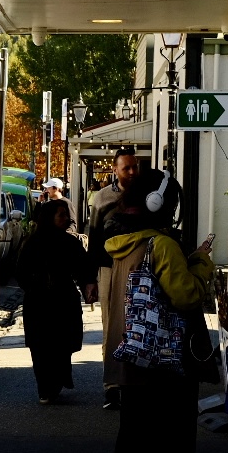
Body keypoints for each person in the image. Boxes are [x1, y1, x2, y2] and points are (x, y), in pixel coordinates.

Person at [104, 167, 214, 453]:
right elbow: (186, 295)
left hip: (131, 359)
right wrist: (202, 263)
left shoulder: (122, 244)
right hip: (165, 363)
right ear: (158, 203)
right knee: (170, 448)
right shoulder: (161, 245)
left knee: (134, 446)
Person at [15, 199, 97, 404]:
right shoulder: (33, 243)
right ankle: (45, 388)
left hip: (63, 301)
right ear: (49, 217)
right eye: (61, 215)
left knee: (61, 344)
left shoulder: (70, 243)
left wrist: (88, 285)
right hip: (39, 302)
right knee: (40, 347)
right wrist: (35, 287)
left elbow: (83, 268)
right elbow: (21, 272)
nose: (66, 218)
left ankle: (55, 383)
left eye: (66, 214)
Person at [86, 146, 139, 410]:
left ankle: (135, 382)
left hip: (139, 267)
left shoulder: (146, 195)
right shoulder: (103, 197)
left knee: (137, 323)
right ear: (115, 169)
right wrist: (90, 279)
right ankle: (112, 386)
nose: (131, 172)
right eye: (126, 167)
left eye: (134, 167)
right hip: (109, 267)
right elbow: (94, 237)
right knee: (111, 327)